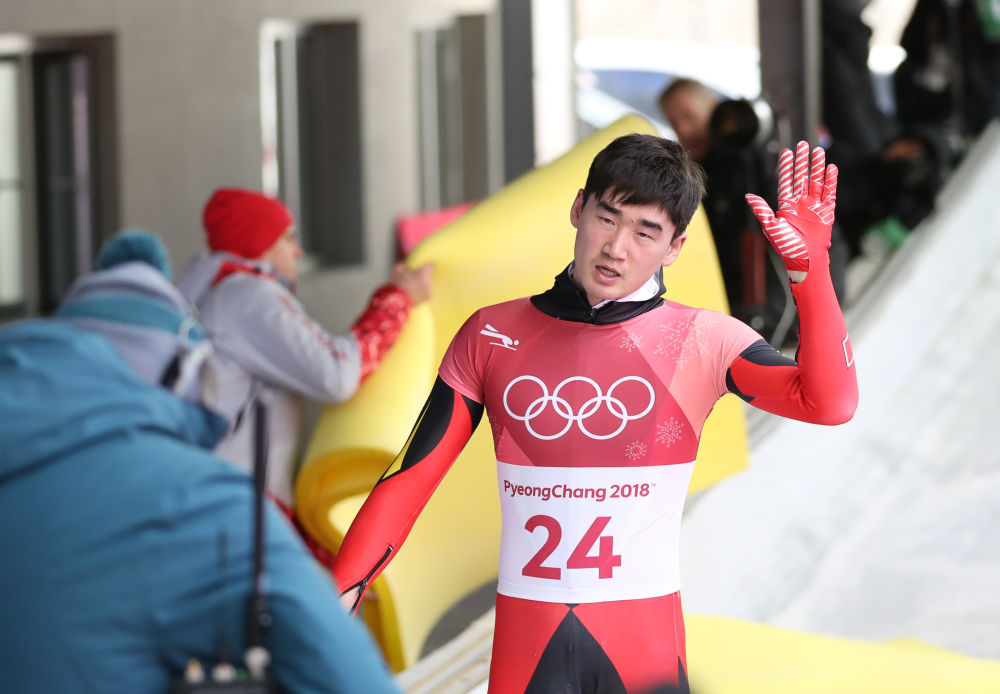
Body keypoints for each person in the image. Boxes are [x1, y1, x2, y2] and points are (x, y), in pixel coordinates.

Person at [331, 135, 859, 693]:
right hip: (526, 645)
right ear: (578, 208)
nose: (617, 248)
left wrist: (810, 272)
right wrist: (331, 606)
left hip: (642, 645)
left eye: (645, 232)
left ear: (675, 247)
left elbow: (830, 403)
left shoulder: (703, 340)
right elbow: (407, 481)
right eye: (608, 218)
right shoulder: (491, 334)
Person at [0, 231, 404, 694]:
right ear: (181, 372)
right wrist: (396, 300)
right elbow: (353, 682)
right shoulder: (199, 507)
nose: (296, 248)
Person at [176, 188, 433, 512]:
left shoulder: (210, 293)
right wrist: (399, 299)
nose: (297, 251)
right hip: (236, 506)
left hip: (211, 493)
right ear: (261, 245)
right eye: (287, 238)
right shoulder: (250, 299)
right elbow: (337, 375)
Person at [658, 78, 803, 345]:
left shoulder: (758, 163)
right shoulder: (691, 178)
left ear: (715, 109)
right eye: (674, 123)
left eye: (689, 116)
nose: (684, 130)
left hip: (777, 318)